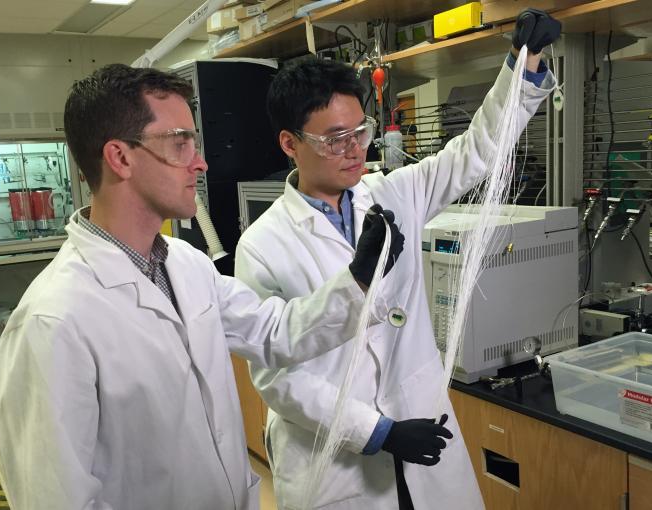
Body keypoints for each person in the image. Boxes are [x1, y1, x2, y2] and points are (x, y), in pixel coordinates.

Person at [0, 63, 404, 510]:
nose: (200, 162)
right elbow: (55, 499)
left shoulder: (186, 264)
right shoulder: (53, 321)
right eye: (180, 143)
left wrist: (357, 281)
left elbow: (273, 332)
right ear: (120, 157)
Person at [234, 9, 561, 510]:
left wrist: (523, 64)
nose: (354, 150)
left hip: (423, 428)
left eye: (359, 132)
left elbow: (475, 153)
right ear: (290, 144)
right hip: (337, 461)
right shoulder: (263, 244)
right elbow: (278, 376)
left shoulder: (391, 193)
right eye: (334, 139)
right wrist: (377, 431)